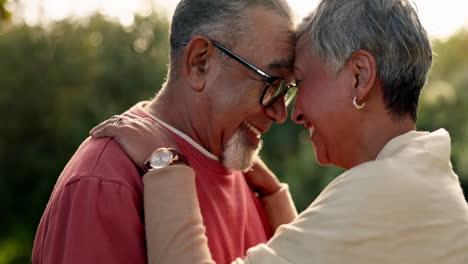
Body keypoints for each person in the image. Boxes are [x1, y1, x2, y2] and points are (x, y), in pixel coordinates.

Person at [91, 0, 468, 263]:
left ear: (360, 76)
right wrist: (274, 199)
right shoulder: (421, 179)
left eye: (299, 82)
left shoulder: (384, 191)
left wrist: (166, 161)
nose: (294, 111)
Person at [32, 1, 300, 263]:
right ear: (200, 62)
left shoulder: (251, 182)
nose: (280, 113)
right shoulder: (105, 181)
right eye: (272, 83)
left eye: (286, 90)